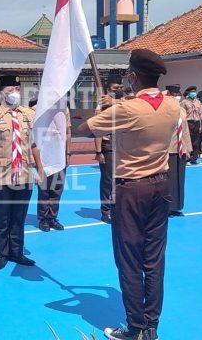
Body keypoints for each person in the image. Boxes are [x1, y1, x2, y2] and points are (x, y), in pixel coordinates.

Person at [78, 49, 178, 340]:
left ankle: (134, 327)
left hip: (132, 189)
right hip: (160, 185)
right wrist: (118, 104)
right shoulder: (173, 105)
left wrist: (106, 110)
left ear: (133, 77)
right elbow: (145, 106)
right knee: (154, 260)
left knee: (129, 260)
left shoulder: (126, 110)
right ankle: (151, 326)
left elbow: (85, 129)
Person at [0, 74, 44, 270]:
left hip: (24, 173)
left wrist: (40, 170)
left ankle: (17, 252)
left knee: (19, 216)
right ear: (1, 93)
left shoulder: (29, 115)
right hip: (1, 174)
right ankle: (2, 254)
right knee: (2, 216)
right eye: (10, 90)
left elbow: (33, 144)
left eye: (17, 90)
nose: (14, 93)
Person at [34, 99, 71, 232]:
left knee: (57, 189)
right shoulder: (37, 110)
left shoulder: (63, 110)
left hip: (59, 155)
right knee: (44, 189)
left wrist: (67, 153)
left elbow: (67, 132)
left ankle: (52, 217)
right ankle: (43, 219)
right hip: (44, 155)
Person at [95, 73, 124, 224]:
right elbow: (98, 130)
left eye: (120, 87)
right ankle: (106, 210)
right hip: (109, 146)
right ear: (108, 89)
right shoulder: (102, 105)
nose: (118, 90)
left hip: (123, 147)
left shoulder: (123, 103)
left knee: (120, 180)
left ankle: (117, 207)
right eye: (114, 88)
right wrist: (98, 151)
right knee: (108, 180)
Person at [165, 85, 192, 217]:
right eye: (174, 94)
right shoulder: (163, 110)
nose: (177, 96)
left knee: (179, 179)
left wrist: (188, 149)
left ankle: (176, 206)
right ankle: (166, 207)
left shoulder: (181, 110)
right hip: (168, 150)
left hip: (180, 149)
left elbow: (185, 130)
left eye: (178, 94)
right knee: (168, 180)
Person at [180, 86, 201, 165]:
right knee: (188, 142)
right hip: (189, 122)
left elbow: (199, 114)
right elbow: (182, 114)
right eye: (192, 92)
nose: (194, 93)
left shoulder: (197, 102)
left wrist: (200, 126)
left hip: (197, 122)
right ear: (188, 93)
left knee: (196, 142)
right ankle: (187, 159)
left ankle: (194, 159)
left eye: (195, 92)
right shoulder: (184, 102)